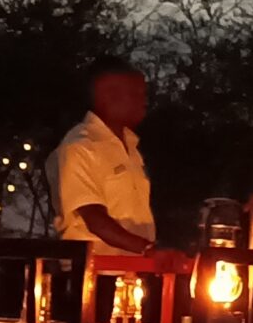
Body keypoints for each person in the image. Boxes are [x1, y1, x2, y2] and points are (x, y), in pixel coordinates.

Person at [52, 56, 178, 263]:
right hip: (92, 276)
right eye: (136, 94)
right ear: (107, 95)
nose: (144, 101)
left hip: (130, 271)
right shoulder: (80, 146)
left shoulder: (130, 146)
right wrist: (147, 250)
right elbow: (95, 219)